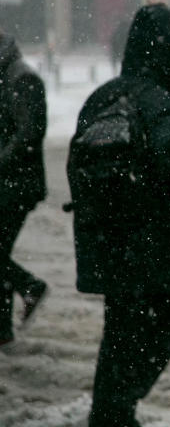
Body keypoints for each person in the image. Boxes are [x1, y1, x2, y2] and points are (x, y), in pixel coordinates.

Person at [69, 4, 170, 427]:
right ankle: (116, 406)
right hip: (148, 240)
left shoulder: (104, 95)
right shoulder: (157, 101)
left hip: (106, 236)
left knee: (120, 327)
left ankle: (113, 407)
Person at [0, 31, 48, 346]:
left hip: (18, 185)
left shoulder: (22, 78)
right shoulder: (7, 77)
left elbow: (29, 134)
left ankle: (29, 285)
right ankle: (3, 331)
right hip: (9, 182)